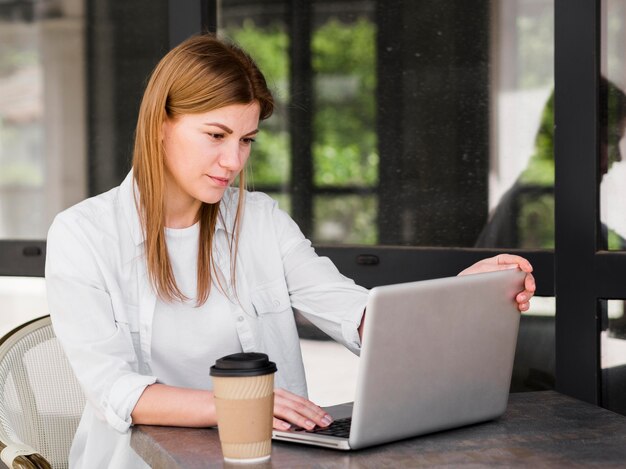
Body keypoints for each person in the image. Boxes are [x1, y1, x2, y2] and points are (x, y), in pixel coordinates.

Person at [45, 34, 536, 468]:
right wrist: (242, 404)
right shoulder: (83, 236)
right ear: (160, 124)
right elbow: (115, 388)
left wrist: (456, 300)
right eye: (216, 136)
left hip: (273, 457)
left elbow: (353, 312)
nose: (233, 161)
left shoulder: (258, 221)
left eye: (246, 140)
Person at [476, 77, 626, 249]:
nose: (619, 157)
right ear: (580, 136)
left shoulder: (543, 190)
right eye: (611, 139)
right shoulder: (540, 200)